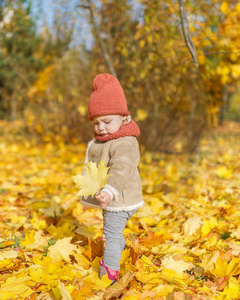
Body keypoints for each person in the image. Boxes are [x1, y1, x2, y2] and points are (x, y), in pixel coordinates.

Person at [81, 73, 144, 284]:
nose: (101, 128)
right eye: (96, 123)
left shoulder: (124, 142)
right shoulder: (108, 138)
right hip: (112, 197)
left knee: (110, 235)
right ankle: (123, 247)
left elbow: (121, 169)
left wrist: (109, 190)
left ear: (123, 117)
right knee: (113, 229)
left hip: (120, 197)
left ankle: (108, 275)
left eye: (107, 121)